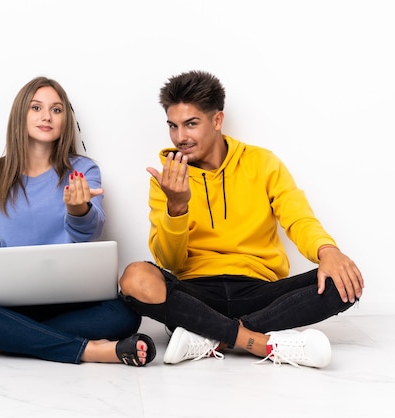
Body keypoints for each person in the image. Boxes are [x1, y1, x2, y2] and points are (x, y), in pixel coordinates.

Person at [119, 70, 364, 368]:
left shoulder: (262, 163)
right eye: (173, 126)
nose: (180, 137)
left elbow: (298, 217)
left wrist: (328, 252)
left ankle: (209, 336)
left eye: (191, 124)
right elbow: (169, 260)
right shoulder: (168, 177)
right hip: (196, 293)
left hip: (259, 290)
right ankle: (259, 341)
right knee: (135, 277)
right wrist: (177, 207)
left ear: (217, 120)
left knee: (344, 280)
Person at [0, 76, 155, 367]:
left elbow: (90, 233)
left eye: (56, 109)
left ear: (65, 119)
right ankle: (90, 351)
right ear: (20, 115)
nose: (47, 116)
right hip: (11, 301)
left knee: (124, 315)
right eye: (36, 108)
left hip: (72, 300)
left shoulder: (84, 170)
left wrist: (78, 210)